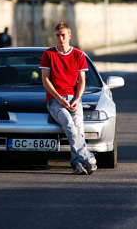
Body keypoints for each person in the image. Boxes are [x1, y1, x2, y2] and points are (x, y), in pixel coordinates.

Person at [39, 22, 97, 175]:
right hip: (54, 100)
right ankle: (87, 158)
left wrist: (77, 99)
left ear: (70, 36)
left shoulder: (78, 54)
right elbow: (45, 81)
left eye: (63, 35)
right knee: (69, 124)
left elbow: (82, 81)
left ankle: (77, 164)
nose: (60, 38)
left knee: (79, 129)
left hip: (73, 98)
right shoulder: (48, 54)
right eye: (58, 35)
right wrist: (59, 99)